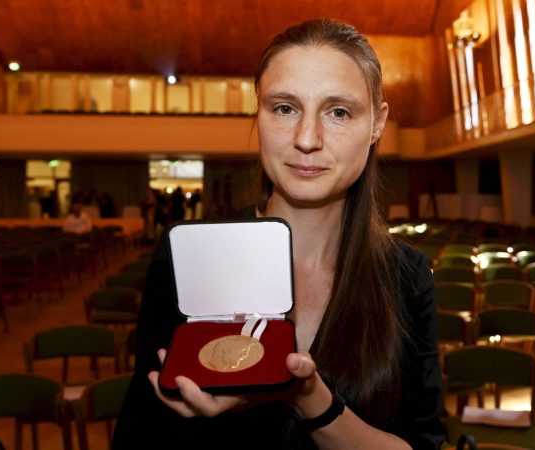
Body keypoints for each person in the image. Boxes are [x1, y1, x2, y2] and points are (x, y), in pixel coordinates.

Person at [113, 18, 444, 450]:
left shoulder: (407, 275)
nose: (307, 138)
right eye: (284, 108)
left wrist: (308, 398)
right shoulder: (189, 254)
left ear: (378, 122)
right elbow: (139, 435)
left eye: (339, 112)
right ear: (259, 113)